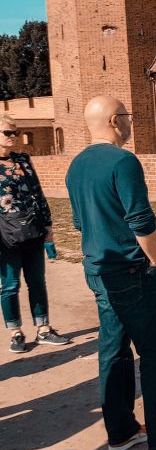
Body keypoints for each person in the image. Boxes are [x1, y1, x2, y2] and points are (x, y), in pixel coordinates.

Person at [66, 96, 156, 450]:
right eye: (128, 117)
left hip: (97, 269)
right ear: (116, 121)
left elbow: (78, 223)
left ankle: (122, 430)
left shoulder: (76, 166)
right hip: (132, 269)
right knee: (155, 353)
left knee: (113, 350)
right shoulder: (123, 161)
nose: (132, 123)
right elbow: (141, 220)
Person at [0, 116, 69, 353]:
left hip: (32, 230)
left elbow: (38, 194)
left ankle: (43, 329)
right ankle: (15, 332)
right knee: (9, 286)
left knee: (37, 282)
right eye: (8, 132)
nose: (13, 137)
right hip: (5, 238)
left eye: (15, 133)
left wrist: (48, 227)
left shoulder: (23, 160)